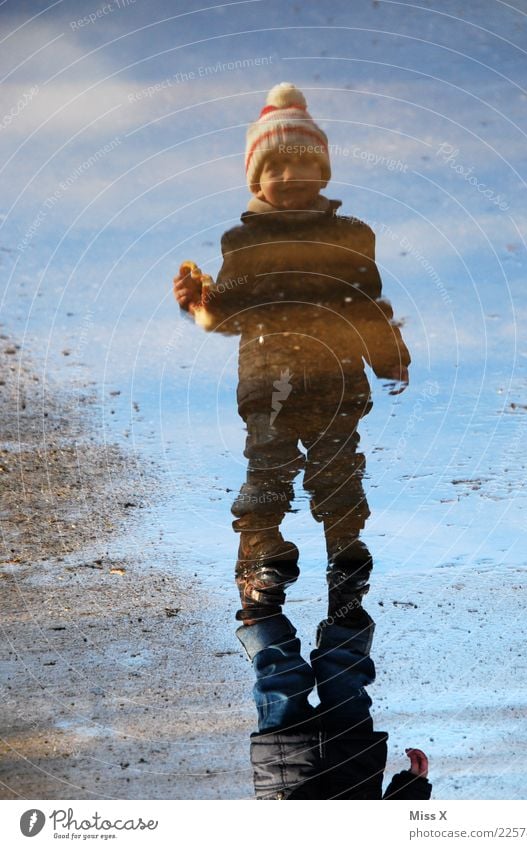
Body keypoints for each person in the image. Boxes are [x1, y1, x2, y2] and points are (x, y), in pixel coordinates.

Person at [173, 82, 411, 628]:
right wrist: (199, 305)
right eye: (273, 168)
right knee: (268, 471)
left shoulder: (353, 235)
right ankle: (262, 560)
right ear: (257, 178)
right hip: (267, 378)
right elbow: (229, 313)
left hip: (339, 378)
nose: (288, 177)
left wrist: (388, 353)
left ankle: (346, 560)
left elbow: (365, 303)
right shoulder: (244, 242)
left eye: (301, 164)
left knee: (339, 473)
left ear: (322, 172)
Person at [236, 610, 432, 800]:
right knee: (343, 680)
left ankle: (261, 600)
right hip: (355, 777)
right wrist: (411, 790)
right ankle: (346, 597)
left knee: (281, 682)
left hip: (288, 780)